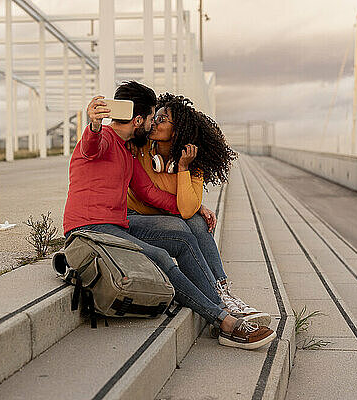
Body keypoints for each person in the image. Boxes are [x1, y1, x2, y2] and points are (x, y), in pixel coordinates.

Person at [63, 81, 275, 350]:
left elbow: (150, 193)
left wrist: (195, 207)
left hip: (119, 224)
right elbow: (90, 147)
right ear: (138, 120)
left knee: (181, 235)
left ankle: (220, 302)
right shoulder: (103, 138)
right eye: (152, 117)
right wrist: (92, 125)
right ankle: (223, 321)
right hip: (89, 230)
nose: (153, 124)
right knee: (161, 256)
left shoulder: (127, 152)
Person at [126, 93, 270, 330]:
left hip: (164, 217)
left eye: (162, 119)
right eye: (156, 117)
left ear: (177, 130)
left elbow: (186, 208)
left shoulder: (192, 165)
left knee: (197, 222)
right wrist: (196, 206)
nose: (155, 122)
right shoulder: (140, 149)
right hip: (138, 217)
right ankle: (220, 299)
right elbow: (176, 206)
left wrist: (182, 168)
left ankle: (223, 292)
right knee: (191, 221)